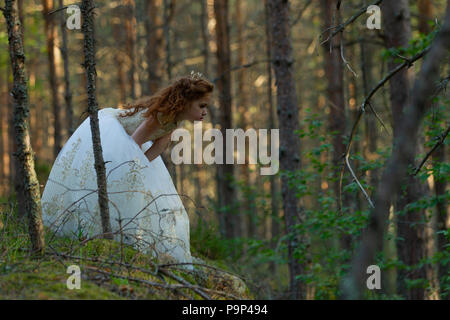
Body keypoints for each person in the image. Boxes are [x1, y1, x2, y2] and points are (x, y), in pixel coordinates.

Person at [41, 74, 214, 268]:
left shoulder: (174, 120)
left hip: (130, 147)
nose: (205, 112)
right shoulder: (161, 116)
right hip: (116, 140)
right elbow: (133, 143)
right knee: (117, 188)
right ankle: (96, 234)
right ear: (186, 102)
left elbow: (159, 146)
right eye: (201, 106)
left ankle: (126, 238)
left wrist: (144, 167)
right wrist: (133, 169)